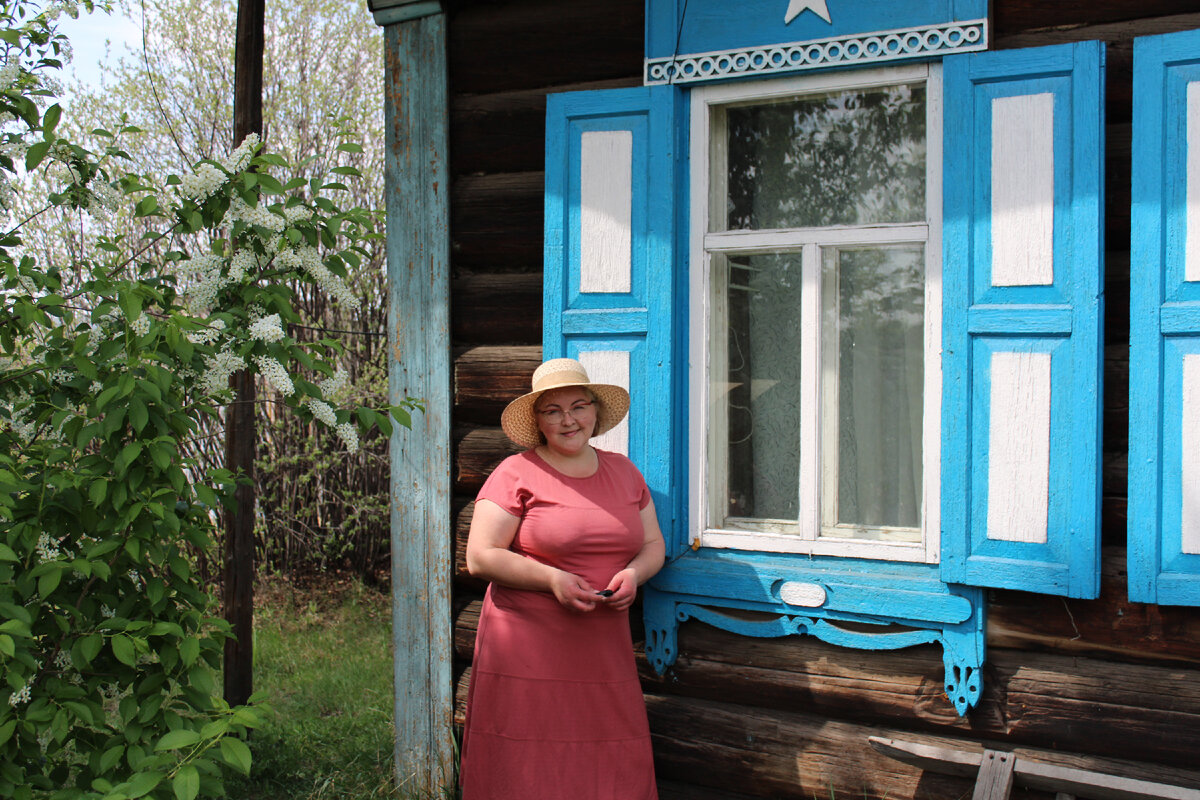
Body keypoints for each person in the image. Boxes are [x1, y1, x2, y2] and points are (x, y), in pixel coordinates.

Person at [459, 357, 665, 800]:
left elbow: (653, 546)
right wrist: (553, 579)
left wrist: (633, 574)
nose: (568, 420)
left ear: (594, 411)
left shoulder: (625, 472)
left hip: (601, 642)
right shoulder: (516, 473)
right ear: (537, 421)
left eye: (578, 406)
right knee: (527, 754)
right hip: (527, 641)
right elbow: (479, 557)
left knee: (607, 747)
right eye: (552, 411)